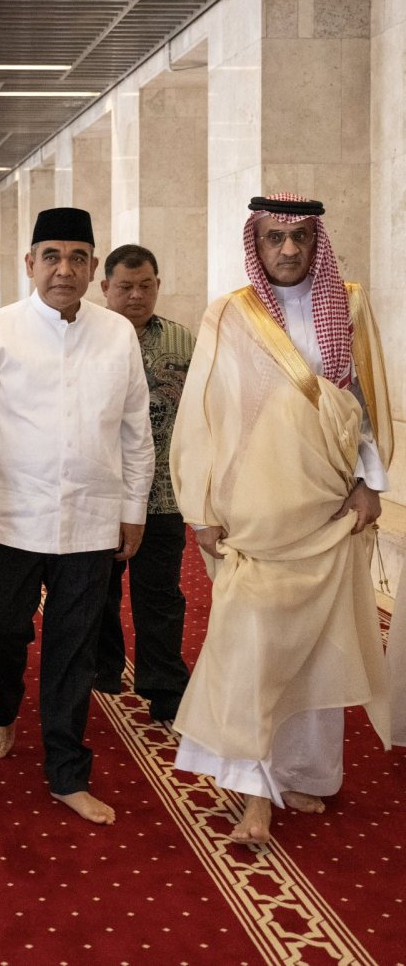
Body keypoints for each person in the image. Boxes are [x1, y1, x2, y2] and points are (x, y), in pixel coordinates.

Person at [170, 193, 393, 846]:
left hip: (329, 509)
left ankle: (298, 774)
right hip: (254, 513)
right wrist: (201, 508)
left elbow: (365, 403)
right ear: (256, 243)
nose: (288, 249)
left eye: (299, 237)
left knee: (319, 651)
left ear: (317, 242)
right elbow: (204, 414)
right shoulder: (229, 314)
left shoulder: (350, 305)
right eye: (274, 237)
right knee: (250, 653)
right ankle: (253, 793)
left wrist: (370, 485)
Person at [0, 207, 153, 827]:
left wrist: (133, 508)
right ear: (30, 264)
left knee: (74, 651)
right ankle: (6, 706)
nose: (63, 269)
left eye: (76, 258)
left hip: (91, 521)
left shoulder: (116, 334)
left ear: (93, 269)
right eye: (51, 256)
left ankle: (68, 771)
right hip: (10, 518)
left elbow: (136, 429)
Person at [95, 244, 194, 722]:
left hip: (164, 496)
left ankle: (164, 687)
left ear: (158, 285)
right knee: (98, 593)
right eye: (125, 287)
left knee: (161, 597)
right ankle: (102, 671)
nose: (136, 295)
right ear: (105, 288)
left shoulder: (182, 340)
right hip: (102, 494)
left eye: (146, 286)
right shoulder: (89, 337)